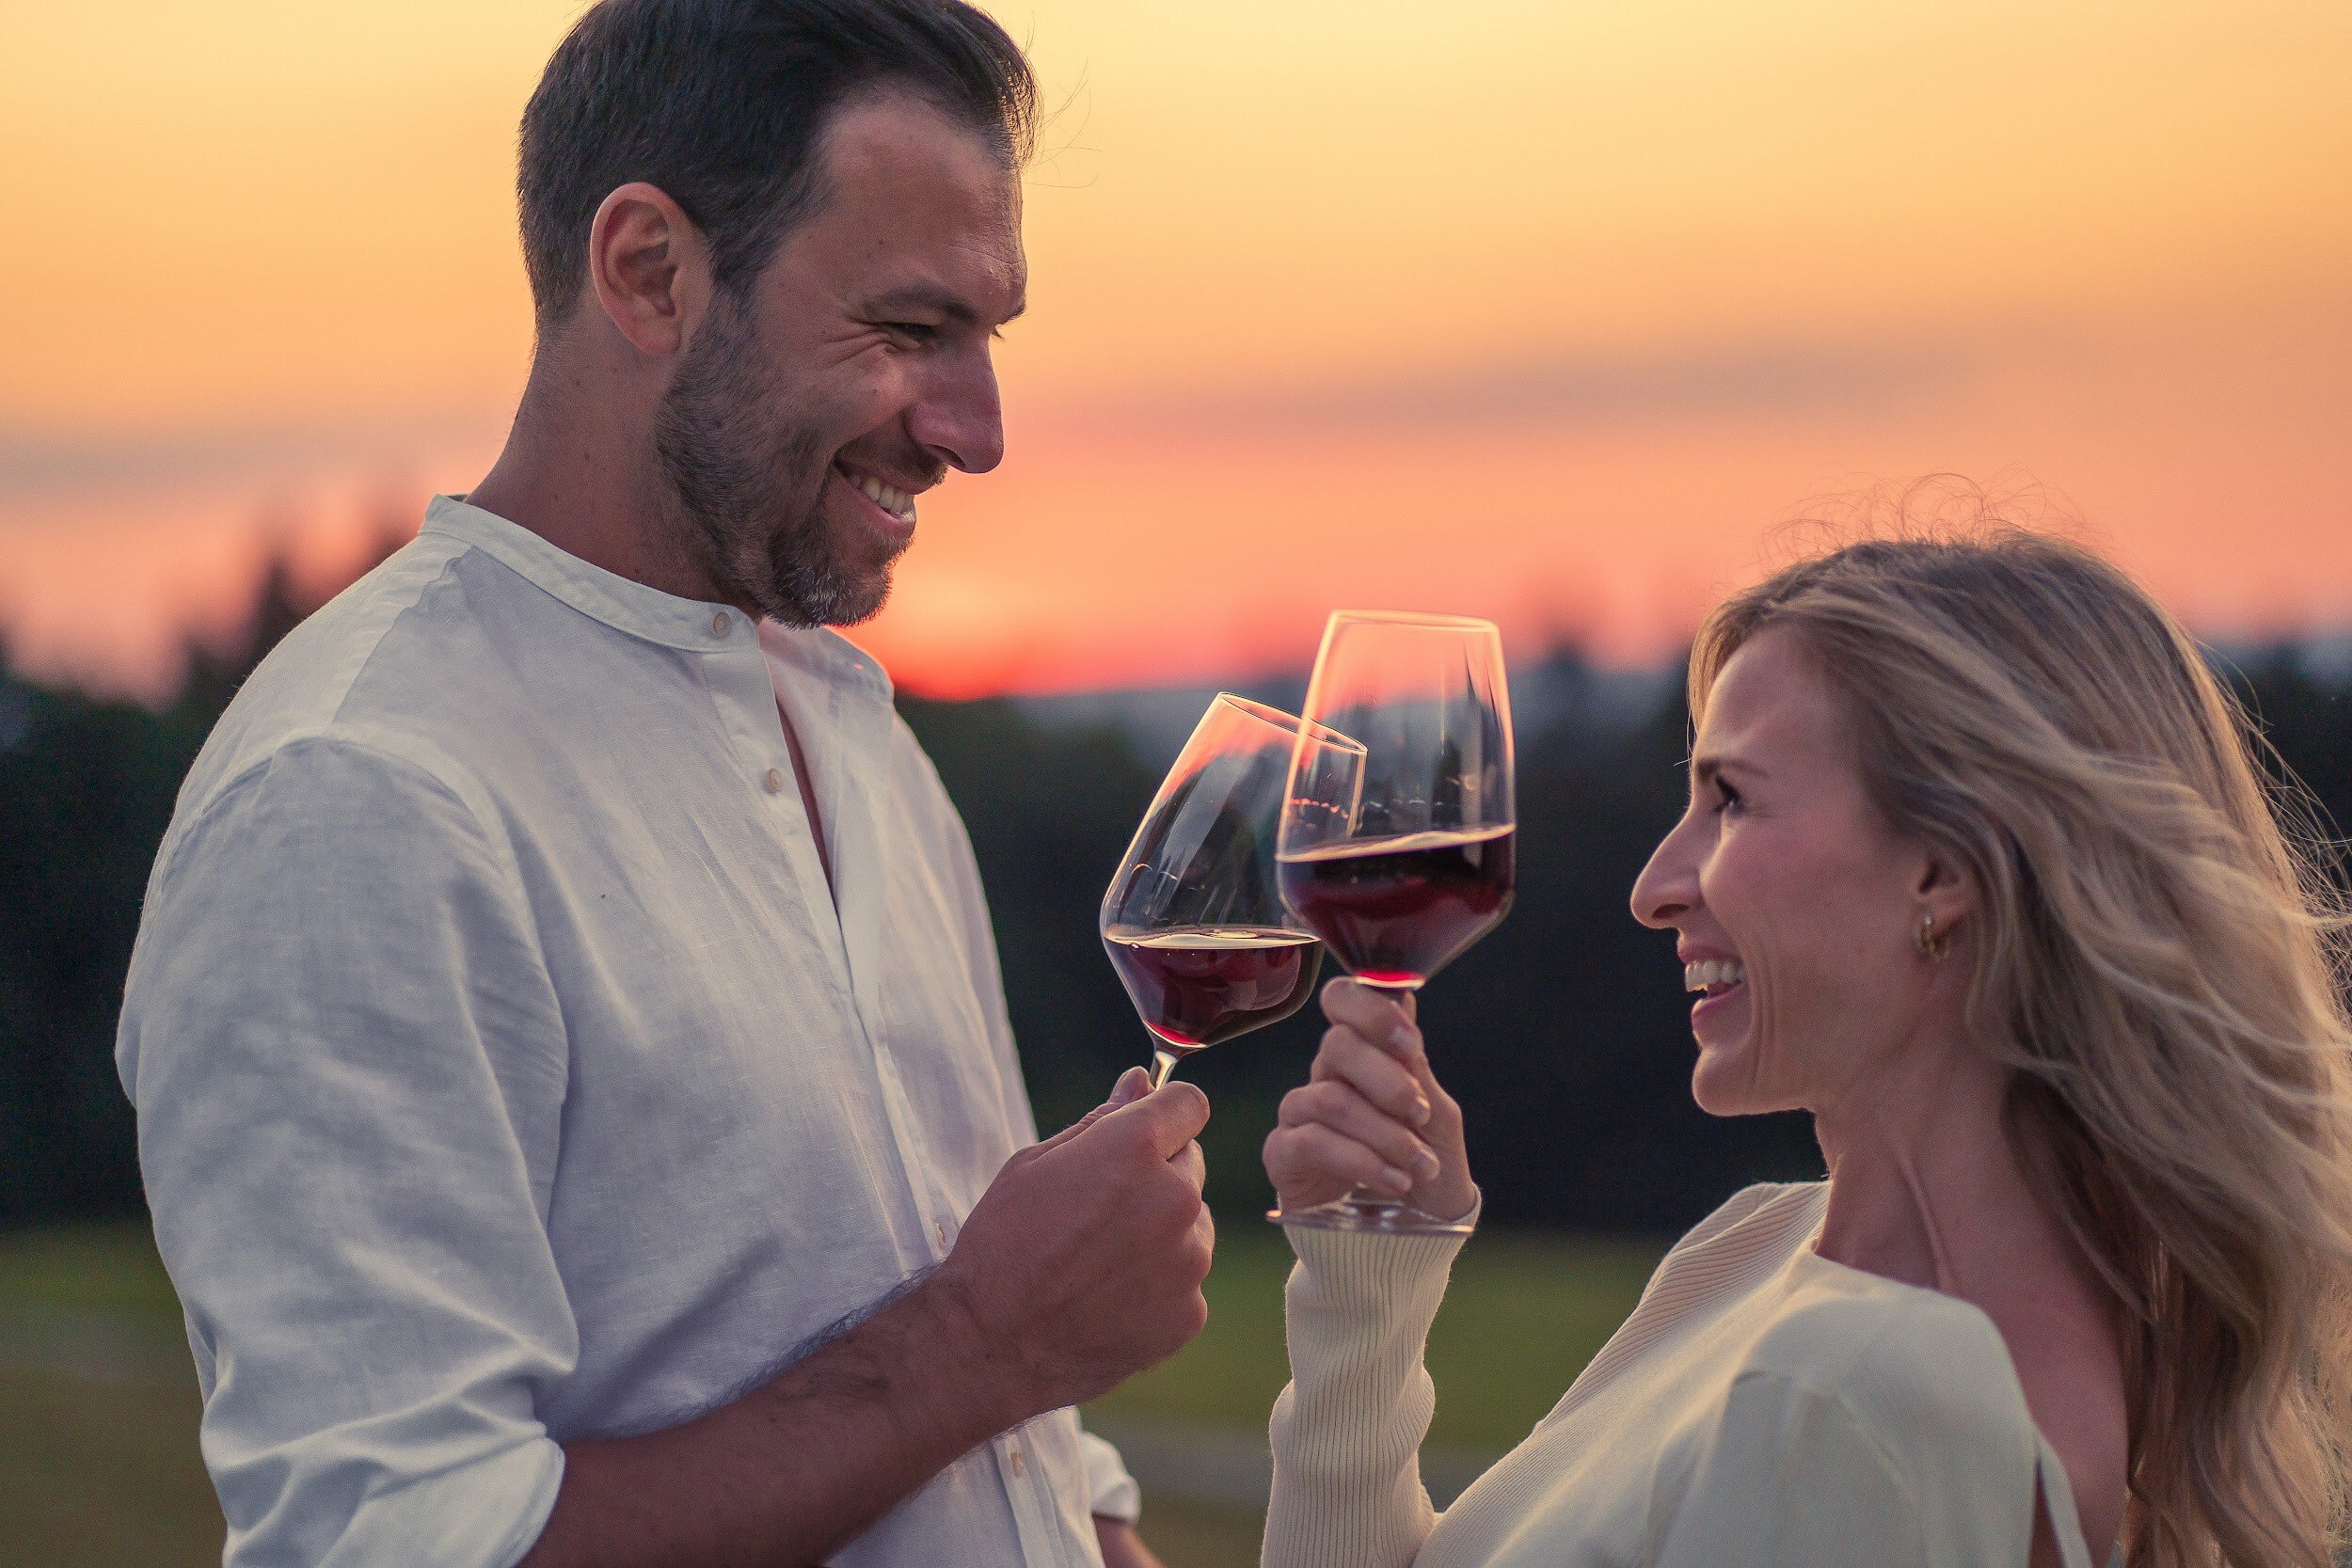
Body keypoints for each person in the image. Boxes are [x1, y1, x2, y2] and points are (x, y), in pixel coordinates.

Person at [114, 3, 1213, 1565]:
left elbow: (1014, 1458)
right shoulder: (359, 797)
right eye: (908, 332)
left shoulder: (852, 730)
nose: (977, 430)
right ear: (649, 271)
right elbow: (412, 1541)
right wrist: (993, 1335)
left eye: (990, 335)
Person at [1259, 529, 2352, 1567]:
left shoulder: (1863, 1388)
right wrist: (1369, 1280)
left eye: (1730, 798)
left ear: (1944, 871)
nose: (1654, 888)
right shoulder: (1758, 1250)